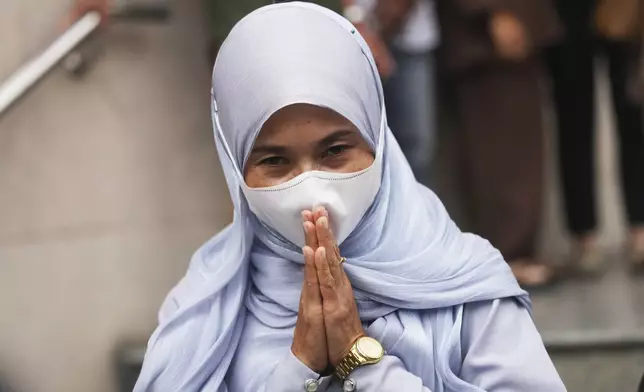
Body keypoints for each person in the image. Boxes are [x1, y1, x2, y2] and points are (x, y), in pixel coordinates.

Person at [133, 3, 565, 391]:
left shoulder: (466, 289)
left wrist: (360, 361)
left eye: (335, 151)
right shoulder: (204, 310)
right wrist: (298, 367)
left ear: (377, 141)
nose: (310, 186)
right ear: (234, 167)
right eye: (275, 162)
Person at [435, 1, 562, 288]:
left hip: (516, 24)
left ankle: (517, 250)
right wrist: (494, 13)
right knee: (495, 145)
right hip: (484, 35)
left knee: (517, 140)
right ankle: (507, 252)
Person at [547, 0, 644, 275]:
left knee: (632, 111)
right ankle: (583, 235)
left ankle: (639, 226)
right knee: (572, 117)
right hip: (566, 12)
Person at [344, 0, 439, 185]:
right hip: (350, 35)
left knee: (415, 147)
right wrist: (358, 22)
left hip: (411, 38)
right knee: (356, 142)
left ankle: (414, 211)